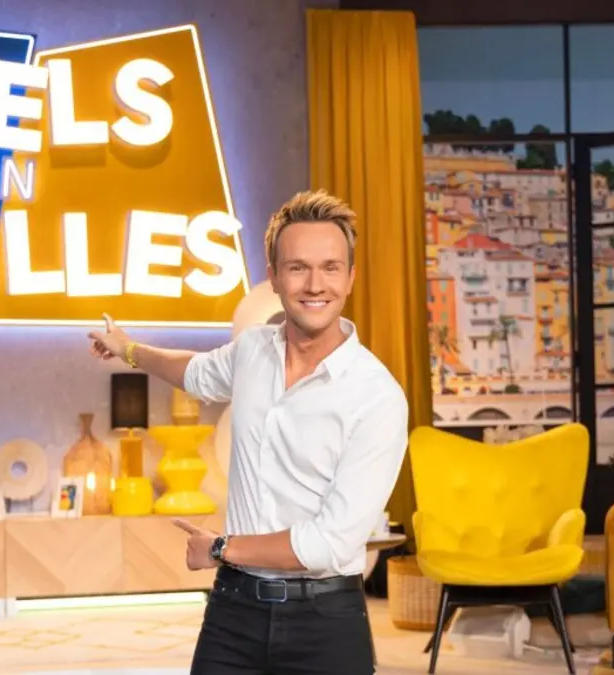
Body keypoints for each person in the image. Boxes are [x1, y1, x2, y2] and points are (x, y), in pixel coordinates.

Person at [87, 190, 409, 674]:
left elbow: (328, 544)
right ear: (274, 276)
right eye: (298, 267)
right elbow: (193, 372)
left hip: (325, 623)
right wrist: (129, 349)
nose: (315, 284)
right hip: (232, 614)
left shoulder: (377, 396)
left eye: (330, 267)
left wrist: (221, 548)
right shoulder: (252, 350)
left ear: (350, 277)